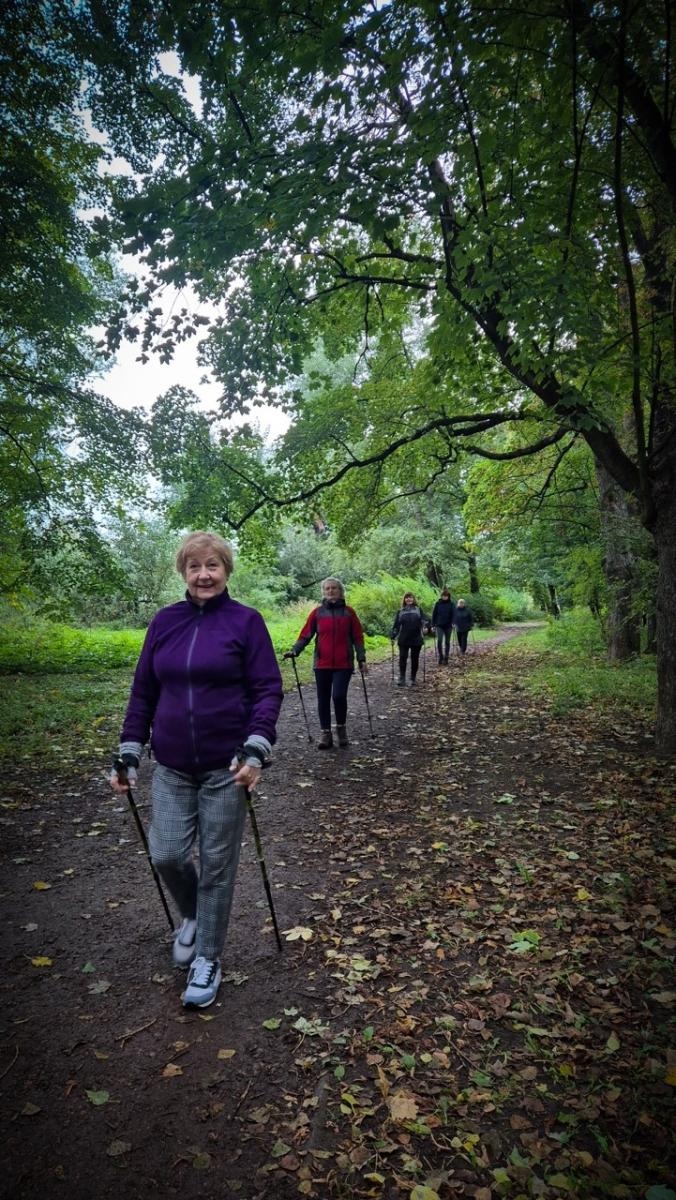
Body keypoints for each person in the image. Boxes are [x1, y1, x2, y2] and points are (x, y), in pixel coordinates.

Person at [109, 531, 283, 1009]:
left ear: (226, 570)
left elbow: (268, 689)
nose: (203, 575)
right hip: (171, 765)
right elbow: (143, 690)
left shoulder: (246, 622)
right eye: (194, 567)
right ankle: (192, 915)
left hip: (226, 766)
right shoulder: (165, 622)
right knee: (166, 853)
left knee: (218, 868)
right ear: (183, 572)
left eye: (212, 566)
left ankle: (208, 956)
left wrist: (256, 747)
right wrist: (129, 750)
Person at [284, 577, 367, 749]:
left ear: (340, 590)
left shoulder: (349, 613)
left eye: (334, 588)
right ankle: (325, 734)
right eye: (327, 588)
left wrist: (361, 658)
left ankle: (341, 729)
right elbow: (306, 635)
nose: (331, 591)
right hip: (321, 663)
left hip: (344, 664)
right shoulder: (317, 613)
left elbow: (358, 637)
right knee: (323, 698)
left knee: (338, 696)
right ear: (324, 592)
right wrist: (295, 650)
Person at [390, 592, 428, 687]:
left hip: (416, 637)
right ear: (404, 600)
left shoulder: (418, 610)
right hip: (404, 638)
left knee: (415, 658)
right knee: (403, 658)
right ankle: (402, 678)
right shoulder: (401, 611)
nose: (408, 599)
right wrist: (393, 636)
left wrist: (425, 627)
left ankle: (413, 678)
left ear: (413, 599)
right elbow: (396, 625)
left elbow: (424, 620)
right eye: (407, 598)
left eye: (410, 598)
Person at [431, 587, 455, 664]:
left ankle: (446, 657)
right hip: (439, 625)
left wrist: (453, 622)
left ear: (448, 596)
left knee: (447, 642)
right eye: (443, 596)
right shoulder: (438, 604)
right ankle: (441, 656)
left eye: (446, 596)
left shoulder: (452, 604)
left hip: (448, 625)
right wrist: (433, 625)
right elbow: (434, 614)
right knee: (440, 640)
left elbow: (454, 614)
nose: (444, 597)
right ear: (441, 596)